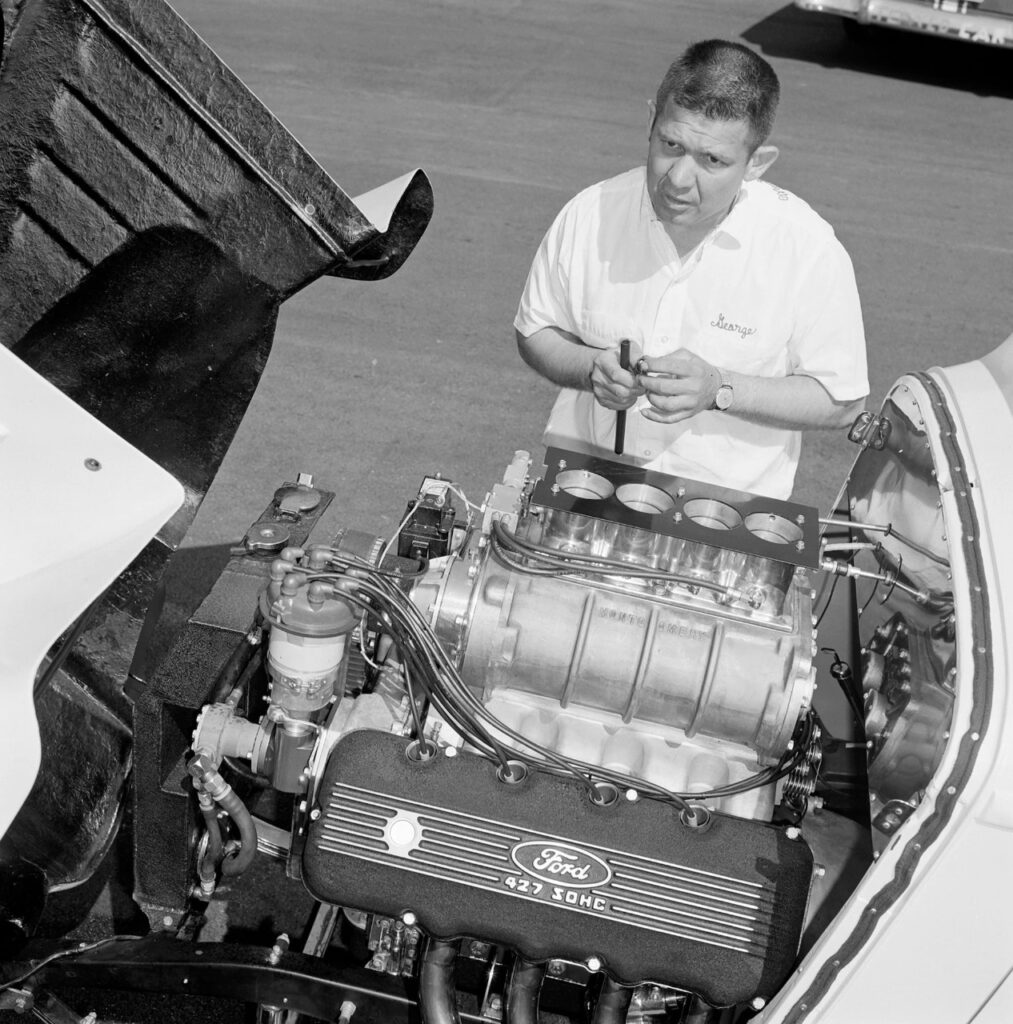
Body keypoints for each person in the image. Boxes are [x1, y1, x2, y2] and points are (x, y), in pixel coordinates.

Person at [514, 40, 868, 500]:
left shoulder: (807, 249)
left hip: (723, 517)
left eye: (712, 161)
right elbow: (536, 330)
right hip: (582, 492)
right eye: (671, 145)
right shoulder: (590, 213)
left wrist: (721, 389)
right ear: (650, 120)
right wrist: (590, 368)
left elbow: (841, 401)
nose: (679, 178)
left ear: (757, 164)